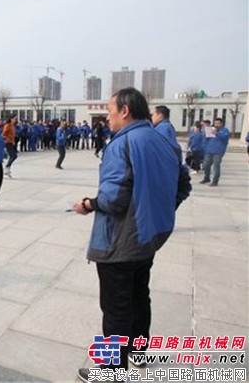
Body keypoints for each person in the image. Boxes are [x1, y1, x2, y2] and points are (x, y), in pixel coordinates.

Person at [73, 88, 190, 382]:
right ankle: (139, 356)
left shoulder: (121, 144)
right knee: (140, 297)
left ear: (125, 110)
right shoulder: (164, 141)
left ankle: (111, 371)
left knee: (115, 308)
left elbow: (112, 200)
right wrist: (155, 210)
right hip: (147, 239)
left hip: (119, 242)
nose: (108, 116)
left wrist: (88, 204)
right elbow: (183, 185)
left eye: (111, 109)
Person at [200, 118, 229, 186]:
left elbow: (224, 137)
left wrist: (216, 133)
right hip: (209, 150)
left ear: (222, 124)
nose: (216, 125)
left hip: (218, 151)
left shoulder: (225, 130)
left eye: (218, 123)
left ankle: (215, 181)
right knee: (206, 165)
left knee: (216, 166)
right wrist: (206, 134)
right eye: (215, 123)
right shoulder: (212, 129)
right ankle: (207, 178)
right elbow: (206, 139)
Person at [2, 114, 18, 178]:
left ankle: (7, 168)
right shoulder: (7, 125)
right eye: (14, 118)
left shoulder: (12, 126)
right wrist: (7, 139)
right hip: (7, 142)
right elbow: (3, 134)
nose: (15, 120)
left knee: (13, 156)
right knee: (14, 155)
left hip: (11, 142)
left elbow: (13, 135)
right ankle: (6, 168)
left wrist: (13, 141)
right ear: (11, 119)